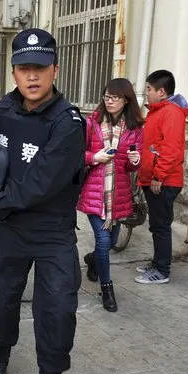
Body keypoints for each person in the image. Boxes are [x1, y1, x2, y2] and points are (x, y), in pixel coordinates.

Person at [0, 28, 85, 374]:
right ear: (14, 72)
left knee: (58, 309)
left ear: (55, 69)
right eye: (23, 68)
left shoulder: (69, 122)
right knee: (1, 299)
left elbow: (42, 183)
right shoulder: (1, 112)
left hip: (52, 231)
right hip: (9, 228)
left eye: (40, 68)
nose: (32, 77)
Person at [77, 78, 143, 311]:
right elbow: (77, 154)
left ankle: (93, 261)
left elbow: (131, 164)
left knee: (111, 241)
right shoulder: (91, 123)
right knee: (104, 241)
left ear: (126, 100)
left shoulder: (134, 128)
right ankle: (107, 288)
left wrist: (135, 161)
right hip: (96, 193)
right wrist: (95, 157)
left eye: (115, 97)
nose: (110, 101)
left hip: (119, 194)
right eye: (107, 96)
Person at [135, 70, 188, 284]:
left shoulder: (171, 113)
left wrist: (158, 177)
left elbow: (170, 149)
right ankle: (157, 263)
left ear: (162, 92)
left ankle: (162, 271)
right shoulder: (158, 111)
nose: (146, 93)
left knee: (161, 226)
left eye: (149, 89)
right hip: (154, 179)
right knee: (156, 225)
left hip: (164, 181)